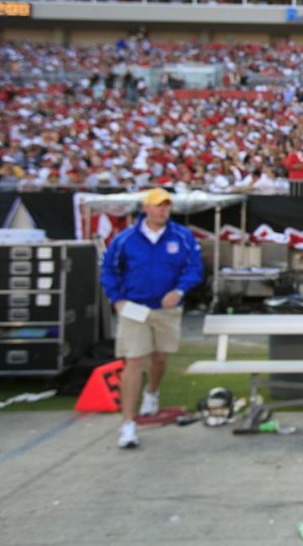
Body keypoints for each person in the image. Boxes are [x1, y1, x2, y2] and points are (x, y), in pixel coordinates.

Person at [101, 187, 204, 449]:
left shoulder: (182, 236)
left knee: (159, 357)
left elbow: (194, 267)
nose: (164, 210)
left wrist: (180, 290)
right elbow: (109, 270)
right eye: (159, 205)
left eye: (167, 205)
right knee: (134, 360)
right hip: (134, 307)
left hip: (166, 308)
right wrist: (117, 298)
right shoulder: (125, 239)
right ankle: (128, 424)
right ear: (145, 208)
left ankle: (152, 393)